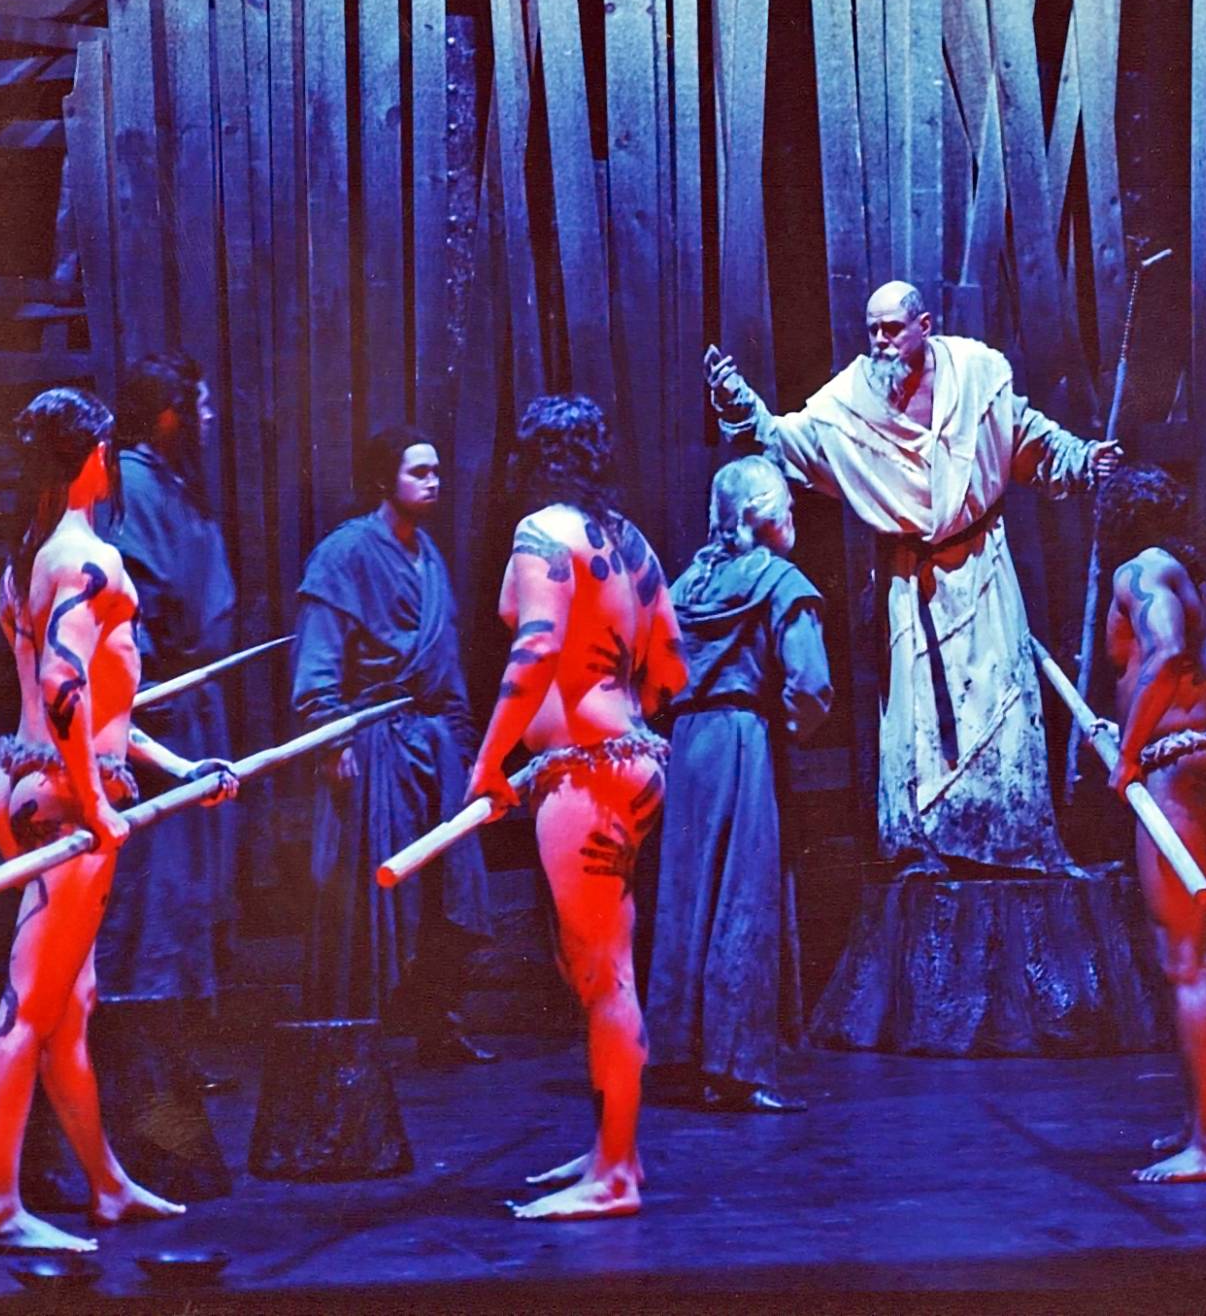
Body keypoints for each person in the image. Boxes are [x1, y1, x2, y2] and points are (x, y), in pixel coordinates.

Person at [704, 280, 1121, 876]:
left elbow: (1028, 436)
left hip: (981, 569)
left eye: (892, 328)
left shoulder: (975, 375)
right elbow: (783, 440)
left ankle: (1004, 840)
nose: (881, 341)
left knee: (998, 706)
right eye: (872, 330)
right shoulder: (849, 402)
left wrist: (1081, 457)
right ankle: (927, 846)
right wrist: (737, 400)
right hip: (909, 582)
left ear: (924, 325)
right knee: (918, 720)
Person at [0, 390, 234, 1252]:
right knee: (26, 1011)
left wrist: (179, 770)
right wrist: (95, 804)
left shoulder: (28, 559)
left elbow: (105, 710)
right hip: (61, 805)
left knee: (69, 1009)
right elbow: (64, 689)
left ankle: (108, 1185)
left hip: (31, 787)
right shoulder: (90, 560)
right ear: (93, 456)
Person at [466, 395, 688, 1220]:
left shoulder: (542, 536)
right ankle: (609, 1148)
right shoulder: (634, 545)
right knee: (593, 967)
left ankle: (617, 1172)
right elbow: (672, 669)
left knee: (605, 975)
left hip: (586, 776)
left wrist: (488, 764)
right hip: (635, 763)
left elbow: (534, 649)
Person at [292, 427, 492, 1063]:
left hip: (433, 745)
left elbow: (445, 660)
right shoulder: (344, 554)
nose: (433, 482)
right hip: (374, 745)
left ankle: (438, 1023)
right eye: (418, 472)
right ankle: (358, 1035)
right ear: (385, 480)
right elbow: (319, 653)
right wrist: (332, 735)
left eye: (437, 471)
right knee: (370, 887)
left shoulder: (430, 558)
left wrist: (461, 743)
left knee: (446, 884)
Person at [647, 457, 833, 1113]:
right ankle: (738, 1065)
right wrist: (790, 728)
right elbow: (810, 684)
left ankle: (680, 1055)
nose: (793, 515)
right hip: (742, 740)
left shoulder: (686, 584)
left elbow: (654, 671)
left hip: (687, 746)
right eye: (785, 504)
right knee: (742, 892)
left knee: (686, 895)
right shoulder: (780, 582)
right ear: (757, 514)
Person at [1097, 465, 1206, 1183]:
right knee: (1196, 958)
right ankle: (1200, 1122)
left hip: (1180, 773)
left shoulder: (1142, 572)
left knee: (1186, 960)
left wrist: (1131, 754)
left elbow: (1164, 655)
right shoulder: (1200, 586)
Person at [96, 354, 239, 1037]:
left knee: (188, 885)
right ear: (167, 415)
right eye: (199, 405)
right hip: (153, 712)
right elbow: (128, 604)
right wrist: (147, 689)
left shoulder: (171, 485)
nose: (209, 418)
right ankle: (140, 1046)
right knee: (154, 883)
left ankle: (175, 1043)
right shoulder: (129, 488)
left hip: (191, 709)